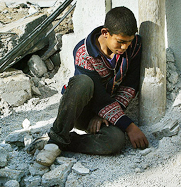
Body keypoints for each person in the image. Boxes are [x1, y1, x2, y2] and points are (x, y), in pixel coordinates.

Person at [27, 6, 149, 167]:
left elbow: (129, 88)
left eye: (129, 42)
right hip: (81, 109)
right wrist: (129, 126)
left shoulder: (134, 47)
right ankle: (55, 141)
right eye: (120, 42)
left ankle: (66, 143)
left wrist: (104, 115)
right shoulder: (84, 53)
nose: (125, 47)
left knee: (115, 141)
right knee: (83, 81)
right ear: (105, 33)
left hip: (108, 111)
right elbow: (97, 96)